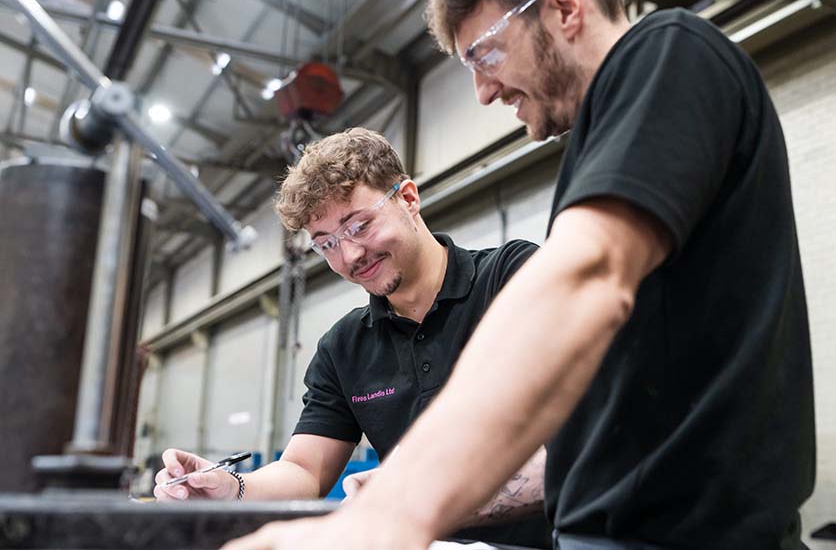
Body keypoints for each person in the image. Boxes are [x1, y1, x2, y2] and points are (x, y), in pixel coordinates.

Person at [224, 0, 815, 550]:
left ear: (564, 5)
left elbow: (581, 280)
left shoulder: (668, 53)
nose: (481, 91)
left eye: (485, 54)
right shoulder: (603, 144)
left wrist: (388, 513)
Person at [154, 128, 548, 546]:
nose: (349, 256)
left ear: (409, 199)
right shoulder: (344, 347)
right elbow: (305, 471)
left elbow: (578, 437)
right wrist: (232, 486)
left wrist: (412, 498)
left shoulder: (511, 278)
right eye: (326, 245)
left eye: (359, 225)